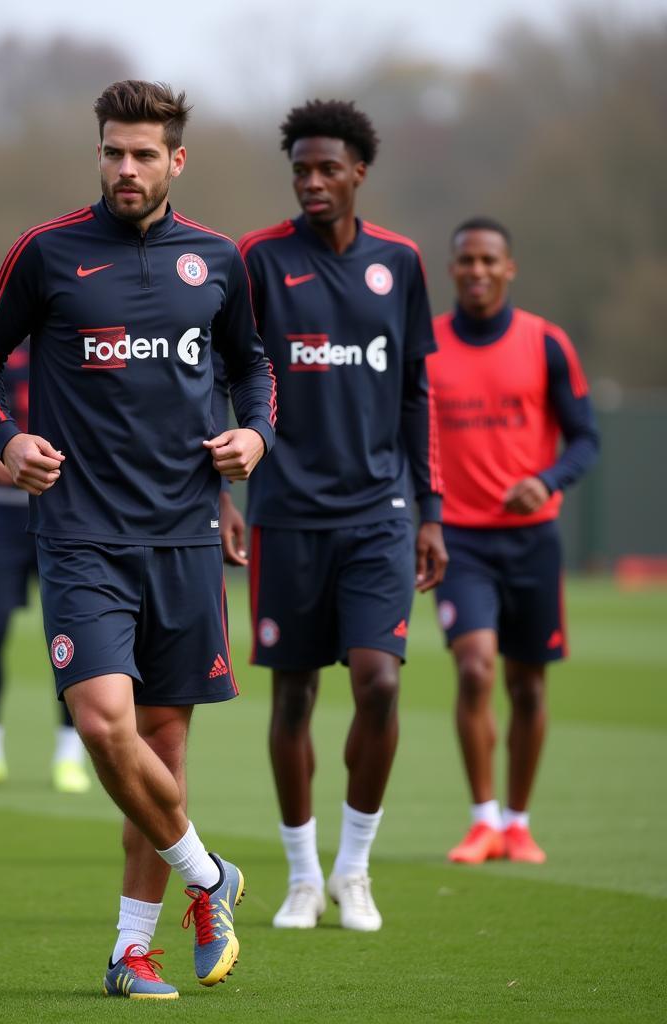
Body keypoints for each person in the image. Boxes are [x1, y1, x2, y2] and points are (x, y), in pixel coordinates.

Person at [0, 80, 275, 998]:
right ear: (97, 154)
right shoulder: (48, 252)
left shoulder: (216, 259)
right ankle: (211, 877)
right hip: (81, 534)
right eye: (111, 152)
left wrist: (254, 435)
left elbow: (253, 365)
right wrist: (7, 437)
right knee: (104, 724)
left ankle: (130, 953)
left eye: (143, 154)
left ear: (178, 159)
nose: (125, 169)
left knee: (161, 758)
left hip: (182, 537)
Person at [234, 99, 446, 933]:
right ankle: (301, 877)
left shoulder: (401, 262)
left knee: (380, 683)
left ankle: (354, 871)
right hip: (285, 512)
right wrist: (222, 491)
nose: (313, 182)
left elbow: (415, 394)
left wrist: (430, 511)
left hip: (379, 513)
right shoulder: (258, 259)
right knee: (292, 703)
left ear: (360, 172)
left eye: (328, 169)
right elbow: (217, 379)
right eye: (301, 170)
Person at [429, 217, 599, 865]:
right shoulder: (427, 344)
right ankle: (483, 820)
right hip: (459, 541)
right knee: (474, 668)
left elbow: (585, 437)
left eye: (488, 260)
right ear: (452, 269)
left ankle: (519, 823)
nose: (476, 271)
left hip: (532, 540)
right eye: (465, 260)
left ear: (509, 268)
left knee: (528, 686)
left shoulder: (547, 344)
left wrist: (548, 478)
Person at [0, 341, 90, 795]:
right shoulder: (1, 353)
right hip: (5, 516)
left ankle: (70, 756)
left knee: (70, 638)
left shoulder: (79, 344)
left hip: (66, 514)